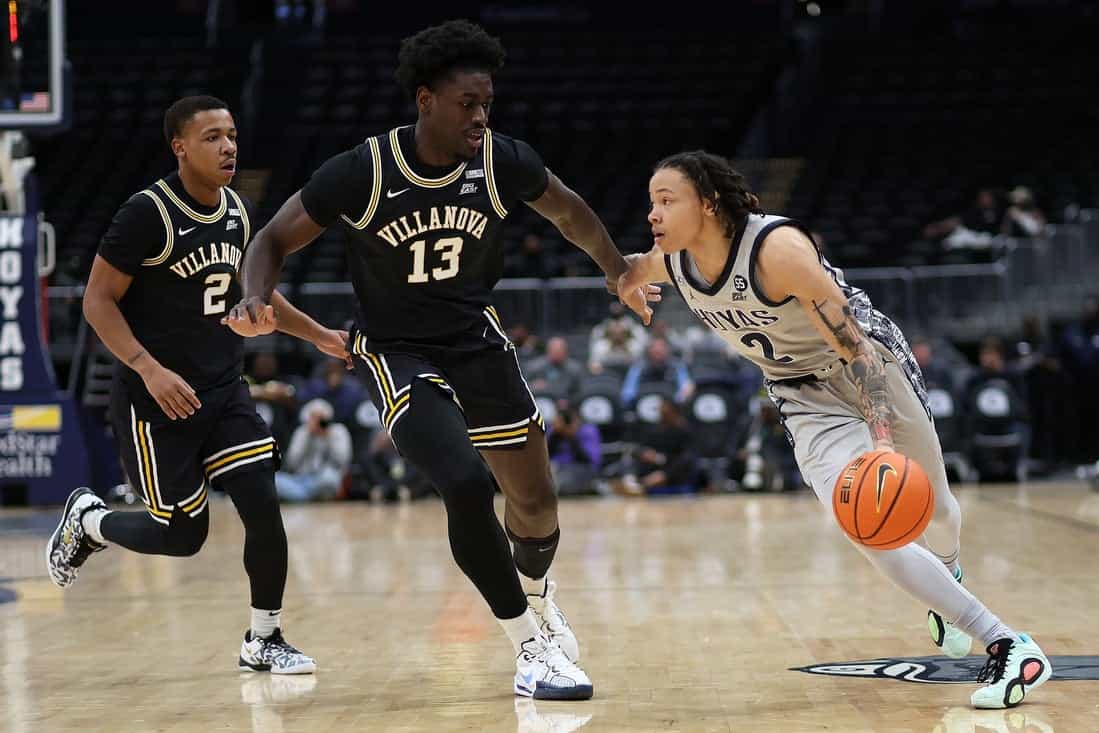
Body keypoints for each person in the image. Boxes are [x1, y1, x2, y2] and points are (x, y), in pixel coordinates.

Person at [226, 20, 656, 700]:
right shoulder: (364, 170)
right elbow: (273, 238)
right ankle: (529, 648)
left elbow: (569, 212)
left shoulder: (501, 160)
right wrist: (255, 294)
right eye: (467, 103)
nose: (480, 116)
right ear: (425, 100)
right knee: (463, 480)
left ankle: (537, 595)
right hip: (393, 348)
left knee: (536, 501)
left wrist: (616, 271)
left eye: (487, 103)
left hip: (474, 338)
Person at [617, 150, 1051, 709]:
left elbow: (858, 352)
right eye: (651, 201)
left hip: (868, 368)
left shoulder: (778, 251)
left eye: (666, 200)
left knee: (938, 510)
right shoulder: (674, 261)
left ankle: (947, 575)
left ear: (707, 204)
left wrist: (882, 442)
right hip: (801, 397)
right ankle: (1009, 645)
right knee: (865, 524)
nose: (653, 214)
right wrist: (625, 280)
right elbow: (632, 267)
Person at [46, 96, 350, 675]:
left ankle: (264, 638)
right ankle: (90, 521)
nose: (228, 146)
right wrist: (149, 368)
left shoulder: (238, 211)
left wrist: (319, 336)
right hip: (156, 399)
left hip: (223, 389)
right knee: (183, 536)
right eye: (212, 137)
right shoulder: (147, 213)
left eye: (231, 135)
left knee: (263, 505)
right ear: (180, 147)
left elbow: (257, 295)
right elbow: (97, 302)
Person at [275, 398, 353, 502]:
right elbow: (291, 462)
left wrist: (328, 436)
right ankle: (304, 497)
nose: (318, 421)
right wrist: (307, 436)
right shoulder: (302, 432)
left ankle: (299, 497)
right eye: (314, 417)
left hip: (324, 478)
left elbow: (342, 461)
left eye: (321, 418)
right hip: (300, 480)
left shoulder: (338, 431)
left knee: (329, 479)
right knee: (275, 479)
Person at [526, 336, 585, 401]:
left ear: (566, 353)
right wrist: (533, 386)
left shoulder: (575, 369)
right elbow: (524, 388)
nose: (556, 355)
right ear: (548, 352)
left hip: (567, 402)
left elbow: (580, 392)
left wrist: (569, 401)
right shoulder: (535, 367)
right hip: (541, 400)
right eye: (554, 352)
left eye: (559, 352)